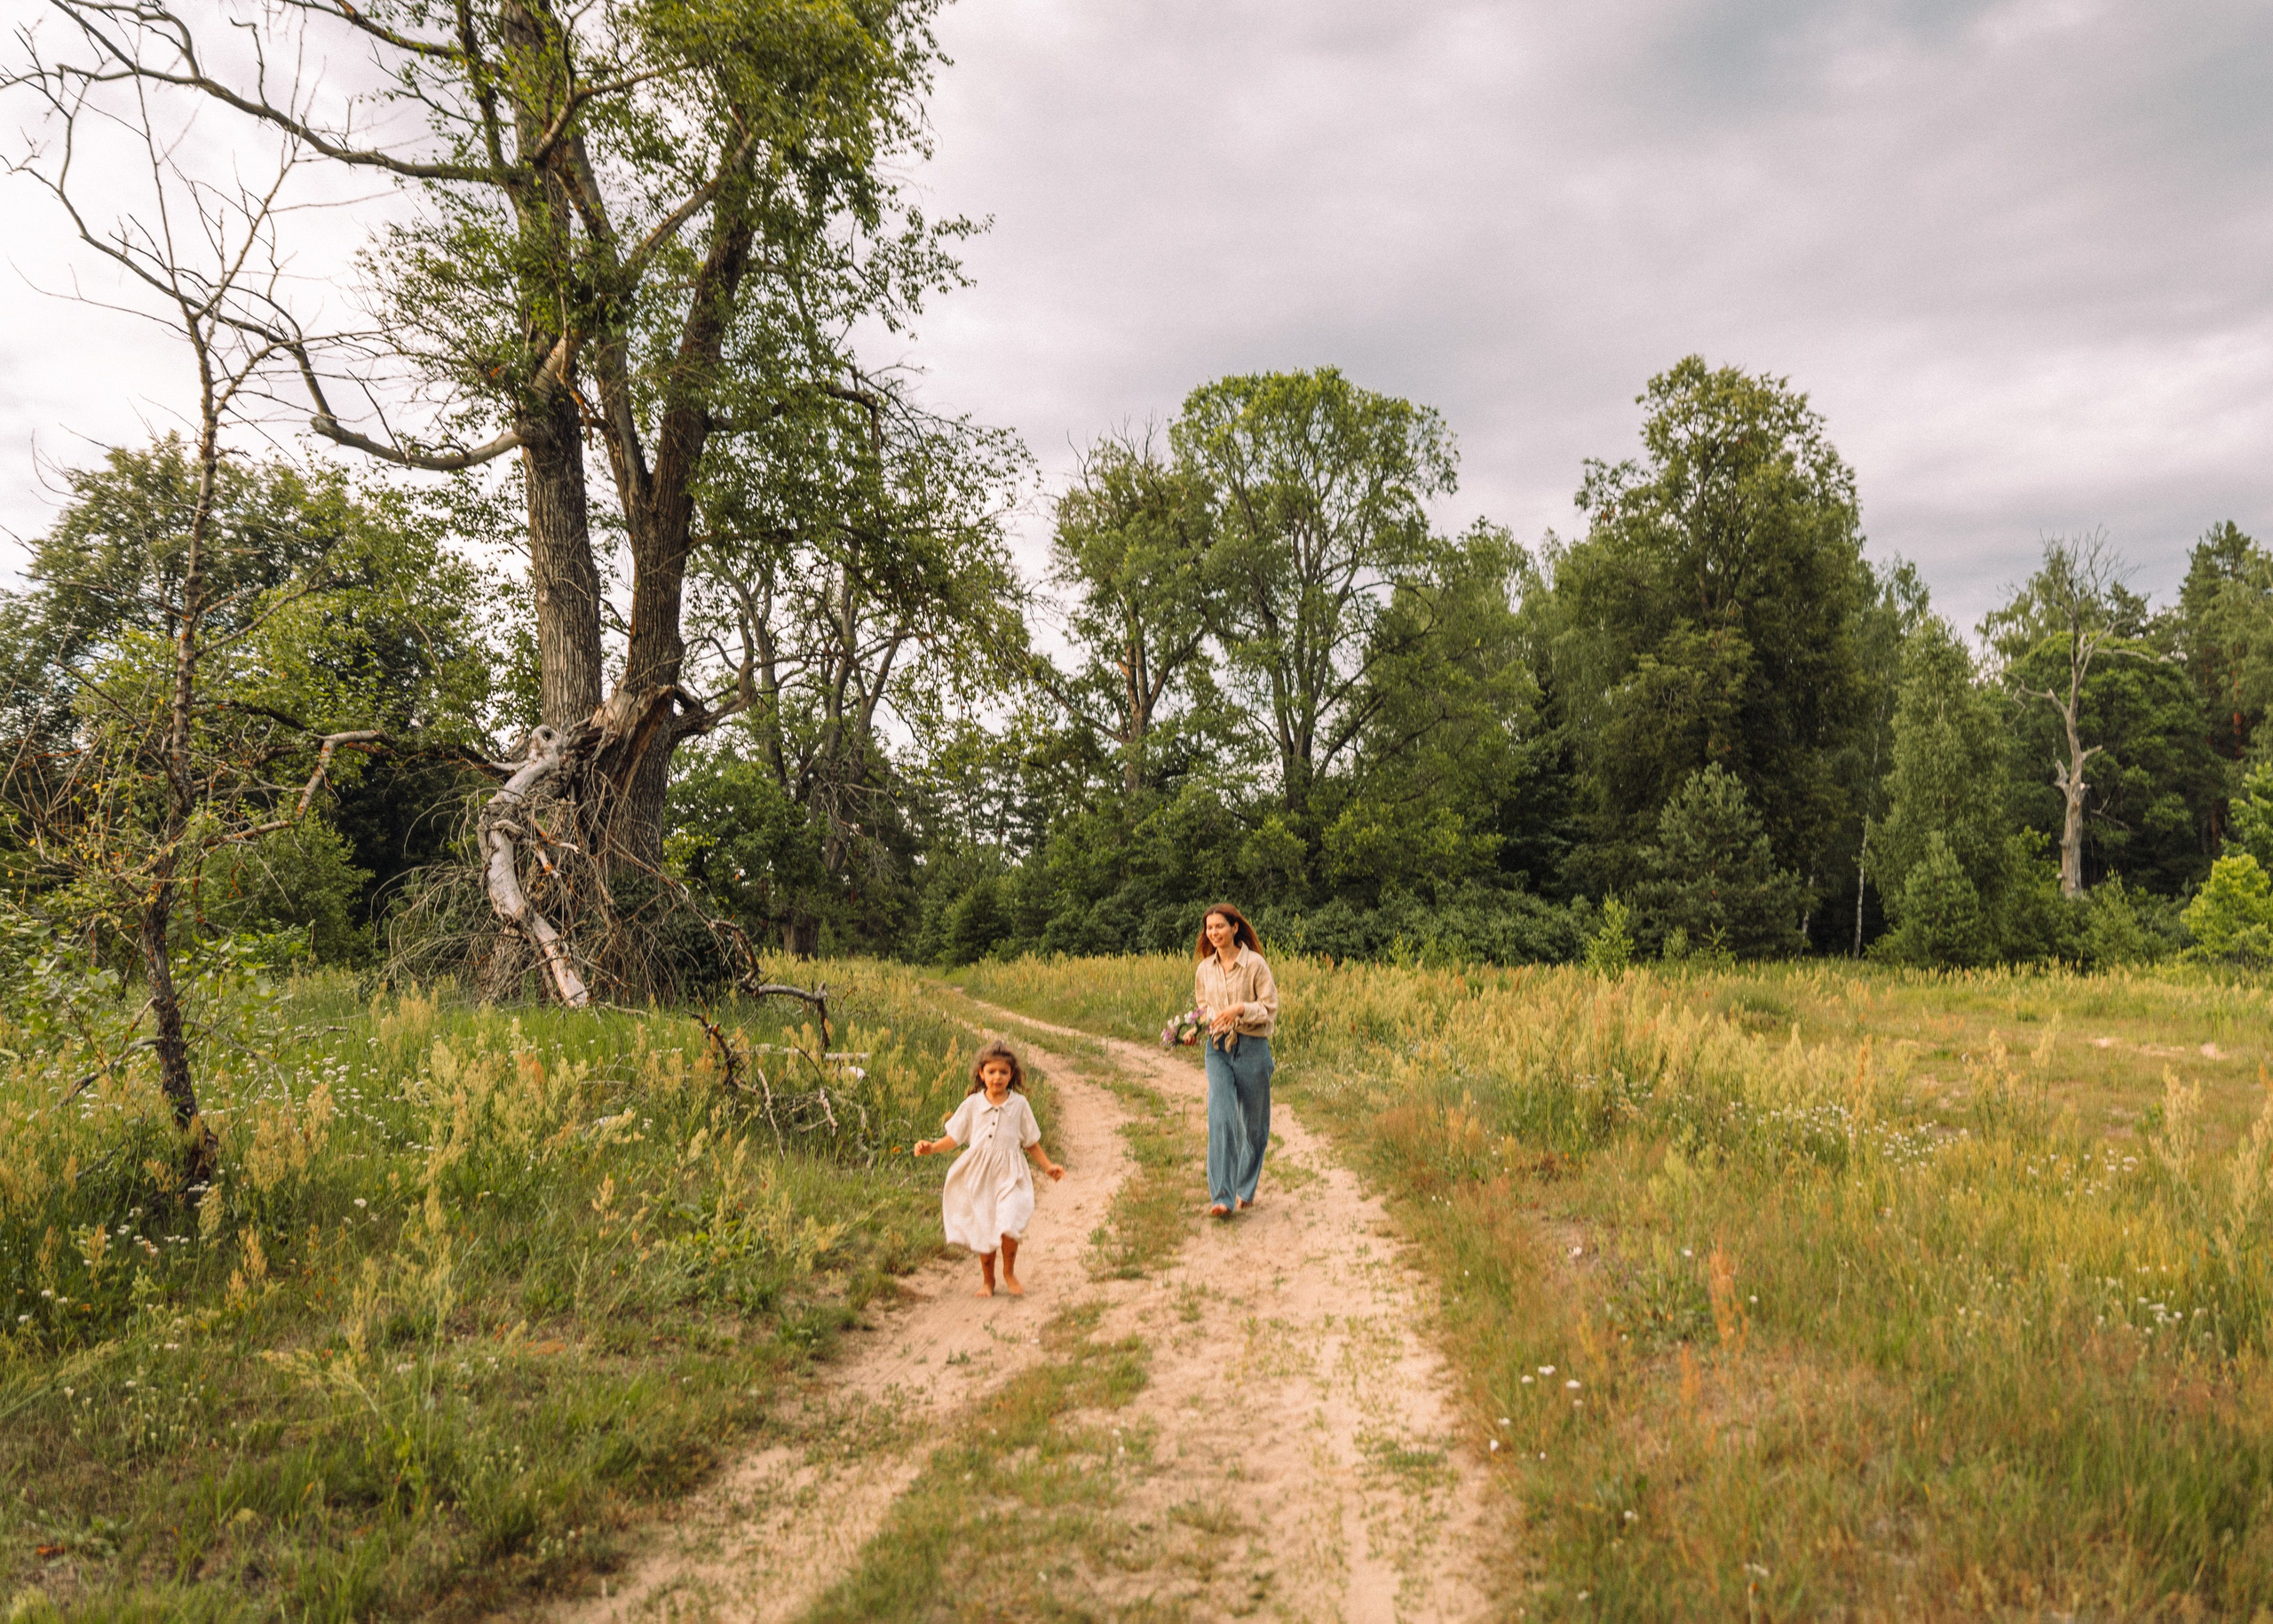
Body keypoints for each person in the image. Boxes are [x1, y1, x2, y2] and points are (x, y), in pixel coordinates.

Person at [915, 1040, 1065, 1296]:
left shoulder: (1019, 1105)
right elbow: (954, 1138)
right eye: (992, 1072)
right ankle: (988, 1281)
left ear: (1012, 1075)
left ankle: (1009, 1272)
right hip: (980, 1175)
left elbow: (1031, 1142)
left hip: (1010, 1174)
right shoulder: (973, 1104)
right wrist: (931, 1148)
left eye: (1003, 1072)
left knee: (1008, 1223)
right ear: (981, 1074)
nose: (997, 1077)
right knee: (985, 1227)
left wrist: (1048, 1166)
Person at [1193, 902, 1278, 1218]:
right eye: (1209, 928)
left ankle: (1245, 1187)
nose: (1213, 933)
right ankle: (1222, 1198)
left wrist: (1241, 1009)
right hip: (1218, 1049)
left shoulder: (1255, 965)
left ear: (1234, 928)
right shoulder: (1204, 969)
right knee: (1221, 1118)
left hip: (1253, 1047)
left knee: (1254, 1129)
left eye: (1219, 926)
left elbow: (1269, 1009)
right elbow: (1203, 1010)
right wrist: (1194, 1028)